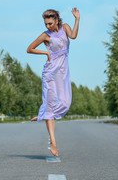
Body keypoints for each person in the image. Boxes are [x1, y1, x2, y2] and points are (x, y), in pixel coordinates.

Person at [27, 8, 80, 157]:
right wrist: (46, 52)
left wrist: (77, 19)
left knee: (65, 102)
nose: (48, 26)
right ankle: (53, 142)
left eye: (50, 23)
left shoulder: (65, 28)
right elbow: (29, 49)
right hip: (50, 72)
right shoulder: (45, 35)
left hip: (63, 72)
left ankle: (44, 114)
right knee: (50, 106)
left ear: (57, 20)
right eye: (46, 24)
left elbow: (74, 36)